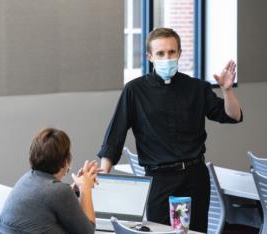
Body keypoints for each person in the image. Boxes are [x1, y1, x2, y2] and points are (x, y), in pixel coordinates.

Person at [97, 27, 242, 232]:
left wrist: (227, 91)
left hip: (195, 177)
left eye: (172, 52)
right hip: (160, 180)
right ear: (150, 56)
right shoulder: (135, 91)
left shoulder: (197, 87)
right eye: (161, 53)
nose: (167, 57)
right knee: (162, 231)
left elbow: (232, 116)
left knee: (195, 231)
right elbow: (115, 135)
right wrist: (104, 171)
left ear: (180, 53)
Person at [0, 128, 97, 234]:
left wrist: (76, 188)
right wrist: (85, 188)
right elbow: (88, 232)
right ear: (66, 161)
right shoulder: (60, 192)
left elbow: (48, 199)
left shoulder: (26, 179)